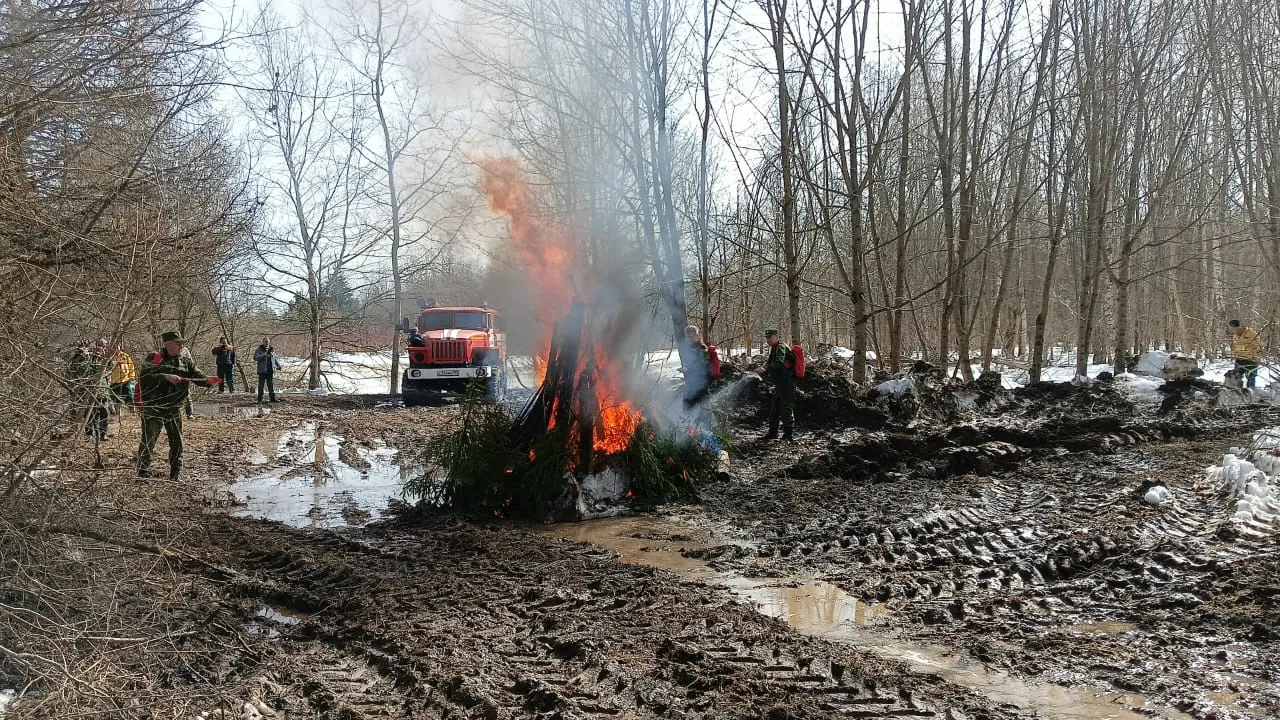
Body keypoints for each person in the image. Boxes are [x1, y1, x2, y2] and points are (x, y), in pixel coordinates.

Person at [136, 331, 217, 481]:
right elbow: (144, 377)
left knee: (177, 442)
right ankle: (142, 473)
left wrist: (207, 381)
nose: (181, 346)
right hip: (154, 408)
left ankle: (175, 473)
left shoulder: (186, 362)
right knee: (148, 440)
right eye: (177, 343)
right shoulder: (154, 358)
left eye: (181, 343)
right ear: (168, 345)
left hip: (174, 409)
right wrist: (165, 376)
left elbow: (197, 376)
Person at [762, 329, 797, 441]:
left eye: (770, 337)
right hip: (780, 384)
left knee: (786, 408)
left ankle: (788, 435)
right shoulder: (774, 348)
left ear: (777, 337)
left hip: (786, 383)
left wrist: (764, 369)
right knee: (774, 409)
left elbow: (778, 363)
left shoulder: (781, 347)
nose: (768, 340)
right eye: (767, 338)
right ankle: (773, 432)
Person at [680, 324, 713, 407]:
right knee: (686, 401)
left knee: (690, 402)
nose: (689, 339)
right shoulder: (688, 348)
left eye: (691, 336)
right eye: (688, 337)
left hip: (702, 383)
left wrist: (689, 369)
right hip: (692, 382)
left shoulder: (702, 348)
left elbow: (705, 365)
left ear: (697, 336)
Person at [1229, 319, 1262, 389]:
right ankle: (1238, 392)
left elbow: (1257, 347)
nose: (1233, 330)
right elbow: (1235, 346)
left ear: (1239, 327)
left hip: (1251, 359)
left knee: (1250, 378)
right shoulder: (1235, 335)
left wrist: (1256, 358)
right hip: (1239, 359)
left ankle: (1250, 393)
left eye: (1234, 328)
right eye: (1231, 328)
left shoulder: (1251, 333)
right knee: (1237, 377)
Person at [109, 345, 136, 413]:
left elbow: (131, 365)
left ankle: (132, 409)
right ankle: (116, 412)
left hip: (125, 379)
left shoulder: (125, 356)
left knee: (129, 394)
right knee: (114, 397)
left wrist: (132, 375)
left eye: (117, 347)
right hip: (114, 381)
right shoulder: (110, 357)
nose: (116, 349)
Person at [254, 337, 279, 403]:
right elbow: (255, 358)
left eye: (267, 341)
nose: (266, 342)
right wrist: (263, 355)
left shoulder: (272, 349)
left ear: (269, 342)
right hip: (262, 371)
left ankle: (272, 398)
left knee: (270, 385)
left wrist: (278, 365)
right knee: (261, 385)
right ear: (263, 342)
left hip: (270, 370)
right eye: (265, 341)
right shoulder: (259, 349)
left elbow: (275, 359)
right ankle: (260, 399)